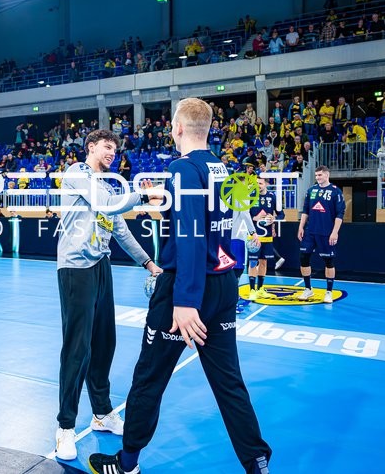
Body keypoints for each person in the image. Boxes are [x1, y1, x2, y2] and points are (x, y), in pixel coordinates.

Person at [88, 98, 271, 474]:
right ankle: (257, 461)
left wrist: (185, 300)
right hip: (223, 282)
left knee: (149, 376)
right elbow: (219, 224)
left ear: (178, 129)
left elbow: (189, 234)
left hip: (186, 288)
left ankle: (126, 464)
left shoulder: (182, 169)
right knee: (229, 381)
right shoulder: (224, 169)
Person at [54, 129, 163, 461]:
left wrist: (149, 263)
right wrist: (143, 197)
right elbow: (105, 205)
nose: (112, 152)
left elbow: (120, 230)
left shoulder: (106, 187)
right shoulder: (76, 174)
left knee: (104, 343)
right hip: (75, 268)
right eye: (106, 146)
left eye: (115, 148)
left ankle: (101, 413)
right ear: (90, 147)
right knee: (78, 348)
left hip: (101, 266)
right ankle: (65, 428)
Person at [296, 166, 345, 304]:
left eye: (320, 175)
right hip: (310, 231)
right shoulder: (311, 190)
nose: (317, 178)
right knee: (303, 258)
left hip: (326, 233)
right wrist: (300, 227)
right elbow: (305, 210)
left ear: (327, 175)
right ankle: (308, 289)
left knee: (328, 262)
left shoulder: (335, 192)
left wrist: (335, 232)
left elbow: (340, 214)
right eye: (316, 175)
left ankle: (329, 291)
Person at [246, 177, 284, 300]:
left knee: (263, 262)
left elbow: (281, 214)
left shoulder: (273, 197)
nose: (258, 185)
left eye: (260, 183)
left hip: (267, 237)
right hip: (253, 235)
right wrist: (254, 217)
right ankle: (252, 290)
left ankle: (261, 288)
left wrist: (274, 219)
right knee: (252, 262)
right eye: (256, 183)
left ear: (266, 184)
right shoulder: (250, 196)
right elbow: (244, 214)